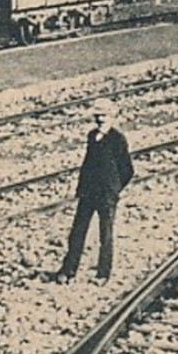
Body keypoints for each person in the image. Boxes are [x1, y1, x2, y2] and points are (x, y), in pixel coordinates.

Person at [51, 102, 135, 284]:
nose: (100, 119)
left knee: (105, 234)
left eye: (104, 115)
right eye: (97, 116)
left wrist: (113, 189)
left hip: (106, 195)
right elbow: (87, 164)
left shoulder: (117, 138)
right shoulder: (92, 136)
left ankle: (103, 274)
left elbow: (127, 169)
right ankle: (68, 270)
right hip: (88, 192)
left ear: (112, 116)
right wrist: (82, 187)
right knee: (77, 232)